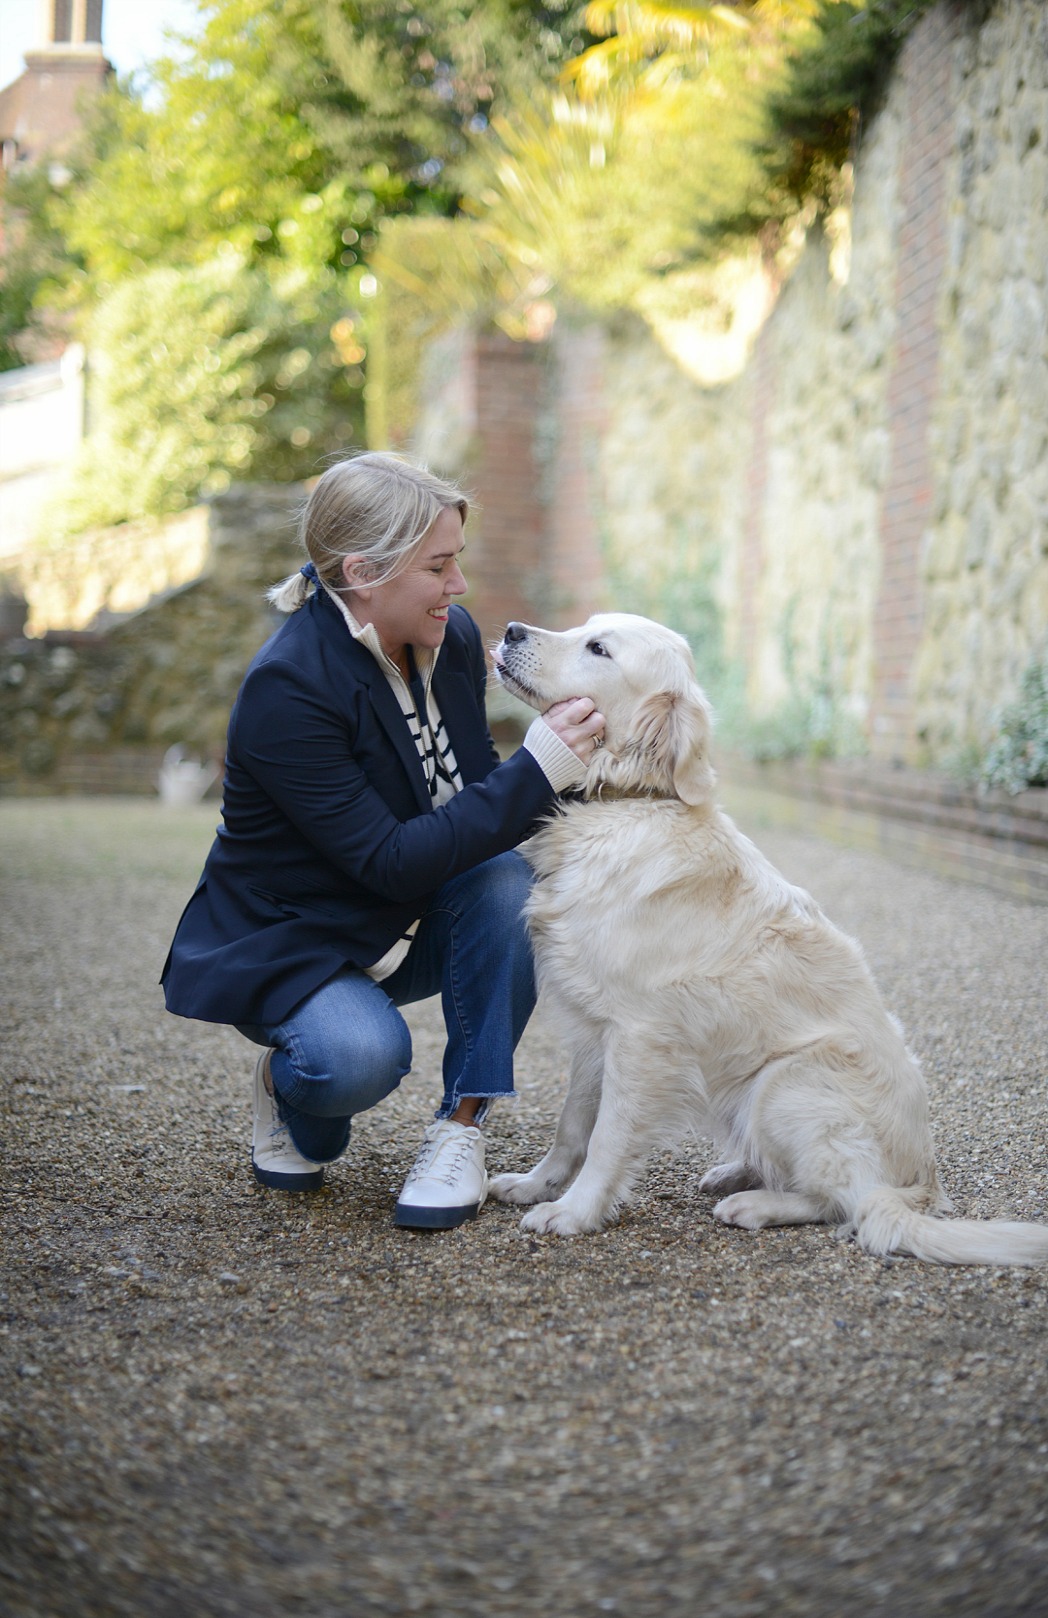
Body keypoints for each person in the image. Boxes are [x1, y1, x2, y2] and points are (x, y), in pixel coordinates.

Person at [161, 451, 605, 1229]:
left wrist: (580, 766)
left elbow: (482, 799)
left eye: (457, 561)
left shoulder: (455, 639)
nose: (459, 586)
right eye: (439, 567)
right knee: (357, 1062)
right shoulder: (287, 689)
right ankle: (287, 1079)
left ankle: (461, 1128)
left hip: (407, 919)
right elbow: (388, 860)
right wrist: (541, 766)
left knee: (511, 879)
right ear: (363, 572)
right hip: (301, 939)